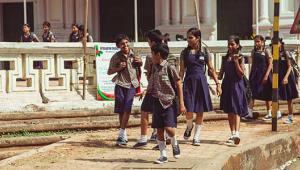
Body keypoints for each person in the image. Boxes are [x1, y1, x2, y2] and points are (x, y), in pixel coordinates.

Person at [179, 28, 221, 146]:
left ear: (197, 38)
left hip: (201, 82)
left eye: (190, 37)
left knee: (200, 110)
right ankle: (189, 126)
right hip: (189, 82)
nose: (188, 40)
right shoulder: (184, 53)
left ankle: (197, 136)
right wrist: (179, 83)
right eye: (187, 37)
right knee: (189, 109)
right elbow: (182, 70)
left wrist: (218, 83)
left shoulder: (204, 51)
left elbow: (211, 69)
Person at [147, 43, 186, 164]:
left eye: (152, 54)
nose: (151, 56)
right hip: (156, 101)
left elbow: (178, 84)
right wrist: (147, 91)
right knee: (159, 129)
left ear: (158, 55)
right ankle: (163, 154)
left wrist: (182, 103)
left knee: (169, 129)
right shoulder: (154, 67)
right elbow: (153, 82)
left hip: (169, 102)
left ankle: (174, 141)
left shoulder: (170, 67)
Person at [107, 34, 142, 146]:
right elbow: (109, 71)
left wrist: (140, 63)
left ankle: (121, 133)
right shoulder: (116, 57)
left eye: (127, 43)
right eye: (122, 44)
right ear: (118, 46)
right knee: (121, 110)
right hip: (120, 84)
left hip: (132, 85)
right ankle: (123, 133)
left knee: (127, 108)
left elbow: (140, 66)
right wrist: (119, 68)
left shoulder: (135, 54)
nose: (125, 45)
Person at [133, 29, 164, 148]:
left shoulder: (151, 56)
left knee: (145, 110)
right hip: (164, 87)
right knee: (160, 112)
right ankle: (161, 137)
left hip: (154, 87)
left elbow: (149, 73)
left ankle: (144, 138)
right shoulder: (165, 51)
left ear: (151, 41)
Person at [219, 35, 248, 145]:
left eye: (233, 44)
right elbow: (221, 74)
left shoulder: (241, 57)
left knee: (236, 109)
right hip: (227, 85)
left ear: (237, 45)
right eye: (229, 44)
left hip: (237, 85)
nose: (230, 46)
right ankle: (232, 133)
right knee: (229, 110)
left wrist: (236, 62)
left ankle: (237, 134)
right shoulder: (225, 58)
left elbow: (241, 74)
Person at [246, 35, 273, 119]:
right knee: (252, 94)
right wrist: (250, 75)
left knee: (267, 94)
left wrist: (266, 75)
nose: (256, 43)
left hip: (265, 74)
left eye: (258, 41)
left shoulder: (266, 51)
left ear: (262, 42)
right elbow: (252, 64)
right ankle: (249, 113)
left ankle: (269, 113)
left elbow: (270, 64)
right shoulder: (253, 51)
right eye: (255, 41)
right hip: (255, 75)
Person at [278, 38, 299, 124]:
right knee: (276, 95)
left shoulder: (286, 53)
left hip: (288, 77)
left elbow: (290, 66)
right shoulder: (275, 54)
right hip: (279, 77)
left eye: (277, 43)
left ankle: (290, 116)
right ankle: (277, 113)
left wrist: (286, 77)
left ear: (281, 44)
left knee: (289, 97)